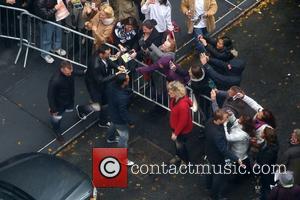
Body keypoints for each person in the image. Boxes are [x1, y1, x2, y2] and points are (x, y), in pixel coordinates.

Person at [75, 44, 123, 127]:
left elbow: (109, 61)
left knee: (105, 102)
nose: (109, 55)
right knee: (97, 105)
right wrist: (116, 74)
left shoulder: (104, 57)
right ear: (101, 54)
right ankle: (81, 109)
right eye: (108, 54)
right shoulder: (95, 65)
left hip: (102, 83)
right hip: (94, 85)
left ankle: (103, 121)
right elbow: (100, 80)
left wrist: (118, 67)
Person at [204, 109, 244, 199]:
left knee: (209, 171)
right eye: (225, 118)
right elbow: (223, 150)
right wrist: (237, 159)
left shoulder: (210, 121)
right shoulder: (217, 134)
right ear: (219, 120)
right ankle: (215, 196)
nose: (227, 119)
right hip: (217, 158)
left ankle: (208, 186)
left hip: (209, 152)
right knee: (219, 177)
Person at [106, 73, 135, 166]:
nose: (129, 78)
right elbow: (123, 112)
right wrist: (130, 122)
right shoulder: (122, 97)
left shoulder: (111, 86)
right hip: (119, 118)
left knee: (113, 124)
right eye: (127, 78)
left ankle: (110, 138)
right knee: (124, 137)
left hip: (112, 111)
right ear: (124, 82)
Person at [47, 61, 75, 141]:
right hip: (59, 103)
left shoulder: (70, 72)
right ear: (62, 70)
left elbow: (75, 73)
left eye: (71, 72)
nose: (70, 75)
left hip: (68, 99)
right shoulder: (55, 80)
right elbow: (50, 95)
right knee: (56, 118)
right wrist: (53, 109)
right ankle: (56, 131)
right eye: (68, 73)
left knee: (61, 113)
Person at [167, 81, 193, 165]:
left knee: (181, 146)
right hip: (175, 128)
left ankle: (185, 161)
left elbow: (183, 122)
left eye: (170, 91)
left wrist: (175, 133)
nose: (168, 93)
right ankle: (178, 156)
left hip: (181, 131)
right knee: (177, 145)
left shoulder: (183, 105)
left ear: (176, 92)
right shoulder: (174, 99)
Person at [256, 127, 279, 200]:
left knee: (266, 187)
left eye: (263, 132)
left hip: (266, 171)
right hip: (269, 168)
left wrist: (257, 166)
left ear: (265, 136)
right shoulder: (272, 144)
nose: (261, 133)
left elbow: (263, 163)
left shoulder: (269, 151)